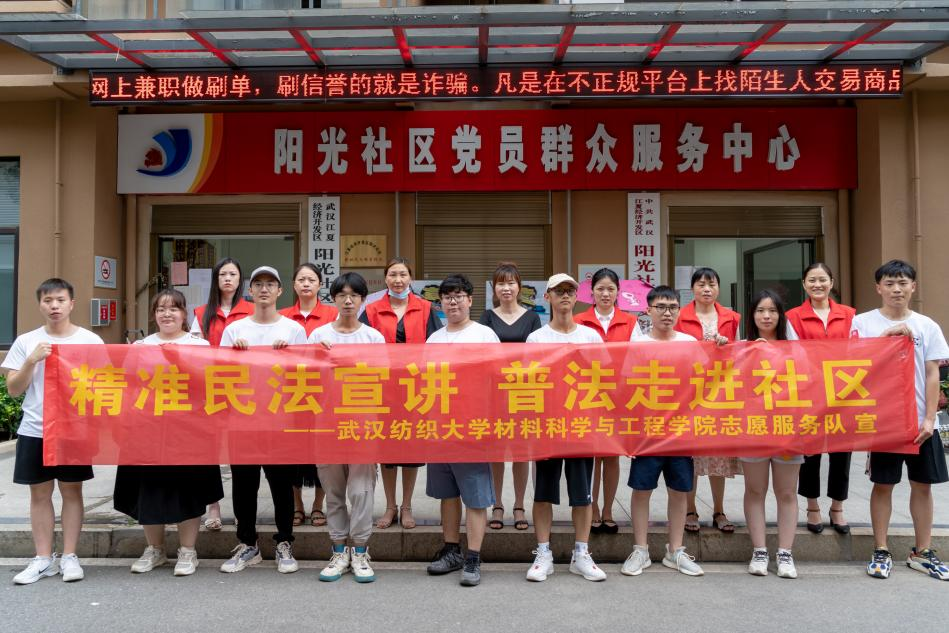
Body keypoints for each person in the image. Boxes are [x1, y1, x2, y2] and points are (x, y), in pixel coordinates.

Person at [114, 289, 224, 576]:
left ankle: (188, 551)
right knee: (149, 490)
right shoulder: (140, 347)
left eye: (173, 308)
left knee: (187, 490)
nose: (167, 314)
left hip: (189, 432)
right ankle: (155, 549)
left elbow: (210, 385)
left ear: (184, 314)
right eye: (161, 309)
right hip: (147, 431)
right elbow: (128, 386)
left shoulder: (200, 346)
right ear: (154, 315)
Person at [851, 260, 949, 580]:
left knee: (923, 486)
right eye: (890, 283)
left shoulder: (927, 326)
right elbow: (854, 366)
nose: (897, 289)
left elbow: (933, 374)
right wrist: (886, 338)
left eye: (903, 283)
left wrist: (929, 418)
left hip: (921, 423)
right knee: (883, 484)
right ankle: (880, 549)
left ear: (913, 287)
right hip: (885, 421)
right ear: (878, 288)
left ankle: (922, 551)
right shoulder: (862, 323)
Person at [3, 278, 104, 584]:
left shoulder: (90, 340)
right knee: (39, 493)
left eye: (60, 300)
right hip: (35, 428)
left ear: (71, 304)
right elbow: (14, 389)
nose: (55, 306)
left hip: (74, 429)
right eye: (48, 301)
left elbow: (104, 385)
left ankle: (70, 556)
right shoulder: (26, 341)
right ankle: (43, 558)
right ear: (40, 305)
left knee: (72, 491)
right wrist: (31, 361)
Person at [218, 266, 307, 575]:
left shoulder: (293, 330)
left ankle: (284, 542)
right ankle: (248, 544)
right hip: (243, 420)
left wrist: (290, 356)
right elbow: (219, 373)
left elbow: (307, 374)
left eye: (271, 284)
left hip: (280, 421)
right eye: (258, 284)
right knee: (244, 485)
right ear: (250, 291)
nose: (264, 289)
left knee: (281, 485)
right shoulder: (235, 330)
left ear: (281, 291)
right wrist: (234, 355)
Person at [525, 273, 607, 583]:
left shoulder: (591, 337)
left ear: (576, 297)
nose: (565, 296)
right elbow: (529, 383)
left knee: (582, 496)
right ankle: (543, 553)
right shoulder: (536, 339)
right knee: (543, 493)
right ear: (547, 297)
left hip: (581, 426)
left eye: (570, 291)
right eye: (558, 291)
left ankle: (581, 553)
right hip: (547, 427)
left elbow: (604, 378)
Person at [621, 285, 704, 578]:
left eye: (672, 307)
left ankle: (675, 551)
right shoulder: (638, 344)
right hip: (648, 431)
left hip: (681, 431)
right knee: (641, 489)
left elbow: (706, 380)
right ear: (648, 310)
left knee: (679, 490)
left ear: (679, 310)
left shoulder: (690, 343)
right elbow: (628, 386)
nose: (667, 313)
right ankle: (640, 550)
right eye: (660, 307)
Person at [308, 272, 385, 583]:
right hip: (326, 424)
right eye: (342, 295)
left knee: (361, 490)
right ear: (334, 299)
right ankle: (339, 550)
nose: (348, 300)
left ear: (363, 300)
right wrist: (317, 355)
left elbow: (383, 380)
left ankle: (361, 550)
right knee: (334, 491)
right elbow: (304, 378)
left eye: (355, 295)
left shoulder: (373, 338)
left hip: (363, 424)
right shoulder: (318, 336)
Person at [425, 274, 500, 587]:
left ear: (470, 300)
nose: (452, 301)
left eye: (458, 296)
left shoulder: (485, 335)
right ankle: (451, 549)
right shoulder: (433, 339)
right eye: (447, 297)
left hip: (473, 428)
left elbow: (496, 380)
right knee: (447, 493)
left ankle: (473, 556)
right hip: (441, 428)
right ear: (440, 303)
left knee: (476, 496)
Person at [359, 257, 440, 530]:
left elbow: (436, 345)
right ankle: (390, 506)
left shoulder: (426, 308)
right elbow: (359, 344)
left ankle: (407, 506)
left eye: (403, 274)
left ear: (410, 278)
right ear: (385, 278)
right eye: (393, 274)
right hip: (382, 389)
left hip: (415, 389)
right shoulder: (372, 310)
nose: (398, 279)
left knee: (411, 450)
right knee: (388, 449)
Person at [786, 263, 856, 535]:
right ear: (803, 284)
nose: (818, 285)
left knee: (842, 450)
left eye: (822, 279)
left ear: (831, 282)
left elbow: (860, 348)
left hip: (844, 392)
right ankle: (812, 505)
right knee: (810, 451)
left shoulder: (849, 315)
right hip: (809, 392)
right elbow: (792, 353)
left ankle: (838, 506)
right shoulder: (793, 317)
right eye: (812, 280)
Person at [740, 289, 802, 579]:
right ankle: (760, 551)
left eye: (773, 311)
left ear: (781, 315)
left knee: (787, 492)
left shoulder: (795, 348)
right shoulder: (743, 348)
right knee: (755, 490)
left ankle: (785, 553)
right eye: (760, 311)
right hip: (753, 428)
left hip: (787, 428)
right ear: (752, 315)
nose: (766, 316)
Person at [675, 267, 742, 534]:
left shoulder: (732, 317)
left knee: (718, 455)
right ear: (692, 288)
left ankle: (719, 510)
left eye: (711, 284)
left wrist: (728, 347)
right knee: (690, 455)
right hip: (689, 393)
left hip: (720, 394)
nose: (706, 289)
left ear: (718, 288)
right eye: (701, 284)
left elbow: (741, 352)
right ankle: (690, 508)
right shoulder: (680, 316)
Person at [191, 257, 254, 532]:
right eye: (223, 274)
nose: (228, 279)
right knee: (210, 450)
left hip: (244, 389)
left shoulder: (252, 310)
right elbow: (193, 350)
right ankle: (213, 506)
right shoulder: (201, 312)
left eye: (233, 274)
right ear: (216, 279)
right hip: (210, 389)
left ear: (241, 280)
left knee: (242, 452)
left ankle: (243, 510)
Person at [574, 267, 636, 535]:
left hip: (619, 395)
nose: (605, 294)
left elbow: (637, 357)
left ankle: (608, 509)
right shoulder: (578, 320)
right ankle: (594, 508)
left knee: (611, 456)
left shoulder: (630, 322)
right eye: (600, 289)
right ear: (592, 292)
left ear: (618, 292)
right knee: (592, 456)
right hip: (587, 395)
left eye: (611, 289)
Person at [479, 262, 540, 531]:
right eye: (501, 283)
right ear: (494, 288)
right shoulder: (487, 317)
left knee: (520, 452)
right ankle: (497, 504)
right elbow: (481, 355)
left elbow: (537, 355)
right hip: (493, 392)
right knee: (496, 451)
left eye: (511, 282)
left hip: (523, 392)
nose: (506, 288)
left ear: (519, 286)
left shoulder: (532, 317)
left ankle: (518, 505)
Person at [280, 263, 338, 529]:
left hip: (324, 393)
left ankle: (317, 505)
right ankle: (297, 505)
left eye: (311, 279)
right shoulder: (282, 316)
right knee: (293, 451)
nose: (306, 284)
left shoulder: (333, 314)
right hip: (290, 392)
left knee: (321, 450)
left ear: (320, 285)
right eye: (301, 279)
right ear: (293, 285)